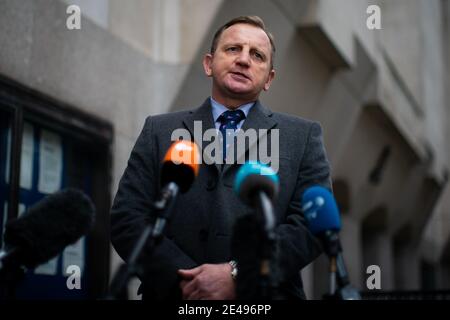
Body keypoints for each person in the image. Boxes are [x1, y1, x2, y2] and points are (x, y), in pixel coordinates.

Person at [111, 16, 331, 300]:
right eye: (232, 49)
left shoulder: (303, 137)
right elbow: (128, 218)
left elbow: (310, 225)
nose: (243, 60)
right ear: (208, 63)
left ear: (269, 78)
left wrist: (239, 275)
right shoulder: (159, 130)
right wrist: (190, 281)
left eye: (257, 55)